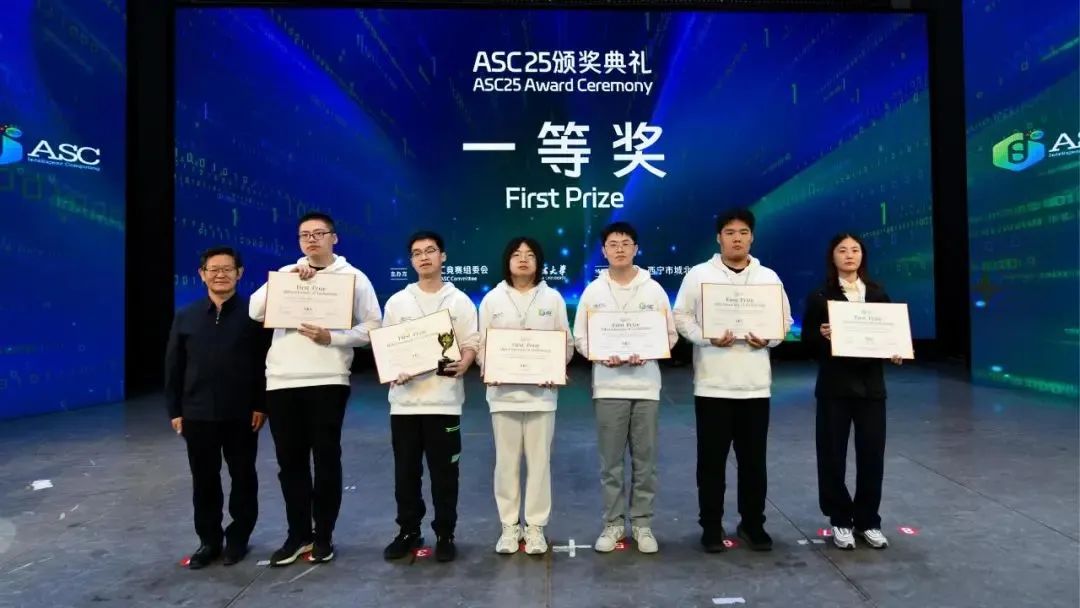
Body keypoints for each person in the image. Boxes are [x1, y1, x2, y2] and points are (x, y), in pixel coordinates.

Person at [249, 211, 383, 566]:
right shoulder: (287, 273)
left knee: (326, 460)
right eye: (304, 235)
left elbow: (373, 326)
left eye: (319, 233)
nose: (311, 239)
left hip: (327, 380)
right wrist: (289, 278)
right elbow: (254, 310)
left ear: (333, 238)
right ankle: (298, 535)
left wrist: (333, 337)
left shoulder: (354, 278)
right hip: (282, 381)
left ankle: (323, 535)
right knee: (289, 463)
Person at [673, 208, 792, 553]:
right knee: (711, 463)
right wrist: (706, 337)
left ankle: (753, 524)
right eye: (729, 232)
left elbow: (784, 319)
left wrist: (769, 338)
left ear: (751, 237)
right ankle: (711, 526)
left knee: (754, 463)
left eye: (742, 232)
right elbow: (681, 316)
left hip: (755, 386)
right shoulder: (699, 275)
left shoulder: (768, 277)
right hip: (713, 384)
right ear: (718, 238)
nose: (736, 238)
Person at [572, 221, 677, 554]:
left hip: (646, 387)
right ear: (604, 251)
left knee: (645, 461)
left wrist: (648, 351)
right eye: (613, 244)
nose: (619, 249)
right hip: (608, 387)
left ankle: (643, 524)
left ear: (636, 249)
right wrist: (601, 354)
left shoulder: (653, 290)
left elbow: (670, 335)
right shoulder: (593, 292)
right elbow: (580, 337)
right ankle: (613, 523)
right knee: (611, 463)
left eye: (626, 243)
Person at [165, 246, 271, 568]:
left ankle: (238, 539)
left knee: (243, 477)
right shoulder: (186, 315)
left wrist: (261, 404)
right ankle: (208, 542)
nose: (220, 274)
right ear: (202, 275)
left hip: (242, 413)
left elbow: (265, 363)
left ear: (239, 273)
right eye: (213, 269)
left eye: (227, 269)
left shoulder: (255, 315)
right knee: (204, 480)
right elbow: (174, 366)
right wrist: (175, 410)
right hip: (196, 413)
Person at [381, 231, 479, 563]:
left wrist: (465, 361)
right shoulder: (398, 302)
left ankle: (445, 533)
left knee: (445, 474)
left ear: (443, 256)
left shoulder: (459, 301)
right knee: (405, 474)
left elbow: (471, 341)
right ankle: (408, 530)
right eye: (417, 253)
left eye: (430, 251)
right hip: (404, 403)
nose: (424, 257)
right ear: (411, 261)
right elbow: (387, 348)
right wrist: (393, 369)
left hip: (444, 401)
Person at [802, 233, 903, 550]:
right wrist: (821, 336)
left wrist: (896, 350)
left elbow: (891, 335)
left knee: (872, 455)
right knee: (832, 455)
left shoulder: (878, 293)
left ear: (863, 256)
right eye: (842, 250)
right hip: (835, 386)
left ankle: (868, 520)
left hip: (871, 388)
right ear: (832, 256)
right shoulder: (820, 296)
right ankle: (840, 520)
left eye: (855, 250)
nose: (849, 255)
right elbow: (807, 342)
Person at [478, 237, 573, 555]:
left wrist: (555, 366)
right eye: (516, 254)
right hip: (502, 395)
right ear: (507, 261)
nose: (523, 259)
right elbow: (482, 345)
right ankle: (509, 527)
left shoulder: (553, 298)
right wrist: (489, 367)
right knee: (505, 464)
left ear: (538, 262)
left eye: (530, 255)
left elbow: (566, 343)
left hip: (541, 396)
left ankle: (535, 527)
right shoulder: (492, 299)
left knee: (539, 463)